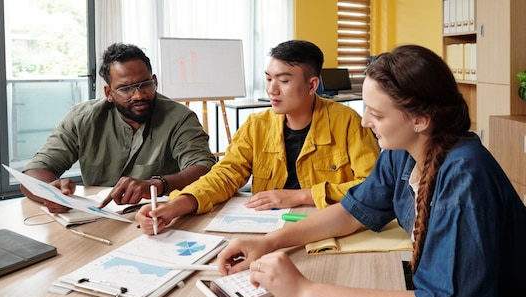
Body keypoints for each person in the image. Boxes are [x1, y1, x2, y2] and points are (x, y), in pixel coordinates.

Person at [214, 45, 526, 297]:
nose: (366, 120)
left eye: (377, 113)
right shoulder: (403, 150)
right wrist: (270, 242)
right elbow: (350, 212)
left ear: (420, 118)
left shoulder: (465, 177)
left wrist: (304, 291)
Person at [135, 40, 379, 233]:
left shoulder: (347, 121)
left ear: (312, 85)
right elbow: (226, 175)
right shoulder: (256, 125)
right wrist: (177, 205)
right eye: (269, 78)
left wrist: (300, 195)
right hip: (265, 228)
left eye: (283, 80)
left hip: (328, 224)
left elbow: (370, 186)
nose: (272, 90)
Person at [21, 43, 217, 213]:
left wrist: (157, 184)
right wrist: (52, 193)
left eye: (145, 84)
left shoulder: (179, 118)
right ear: (108, 92)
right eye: (126, 88)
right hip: (96, 218)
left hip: (159, 216)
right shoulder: (82, 119)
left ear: (154, 81)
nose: (139, 95)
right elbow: (33, 172)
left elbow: (204, 167)